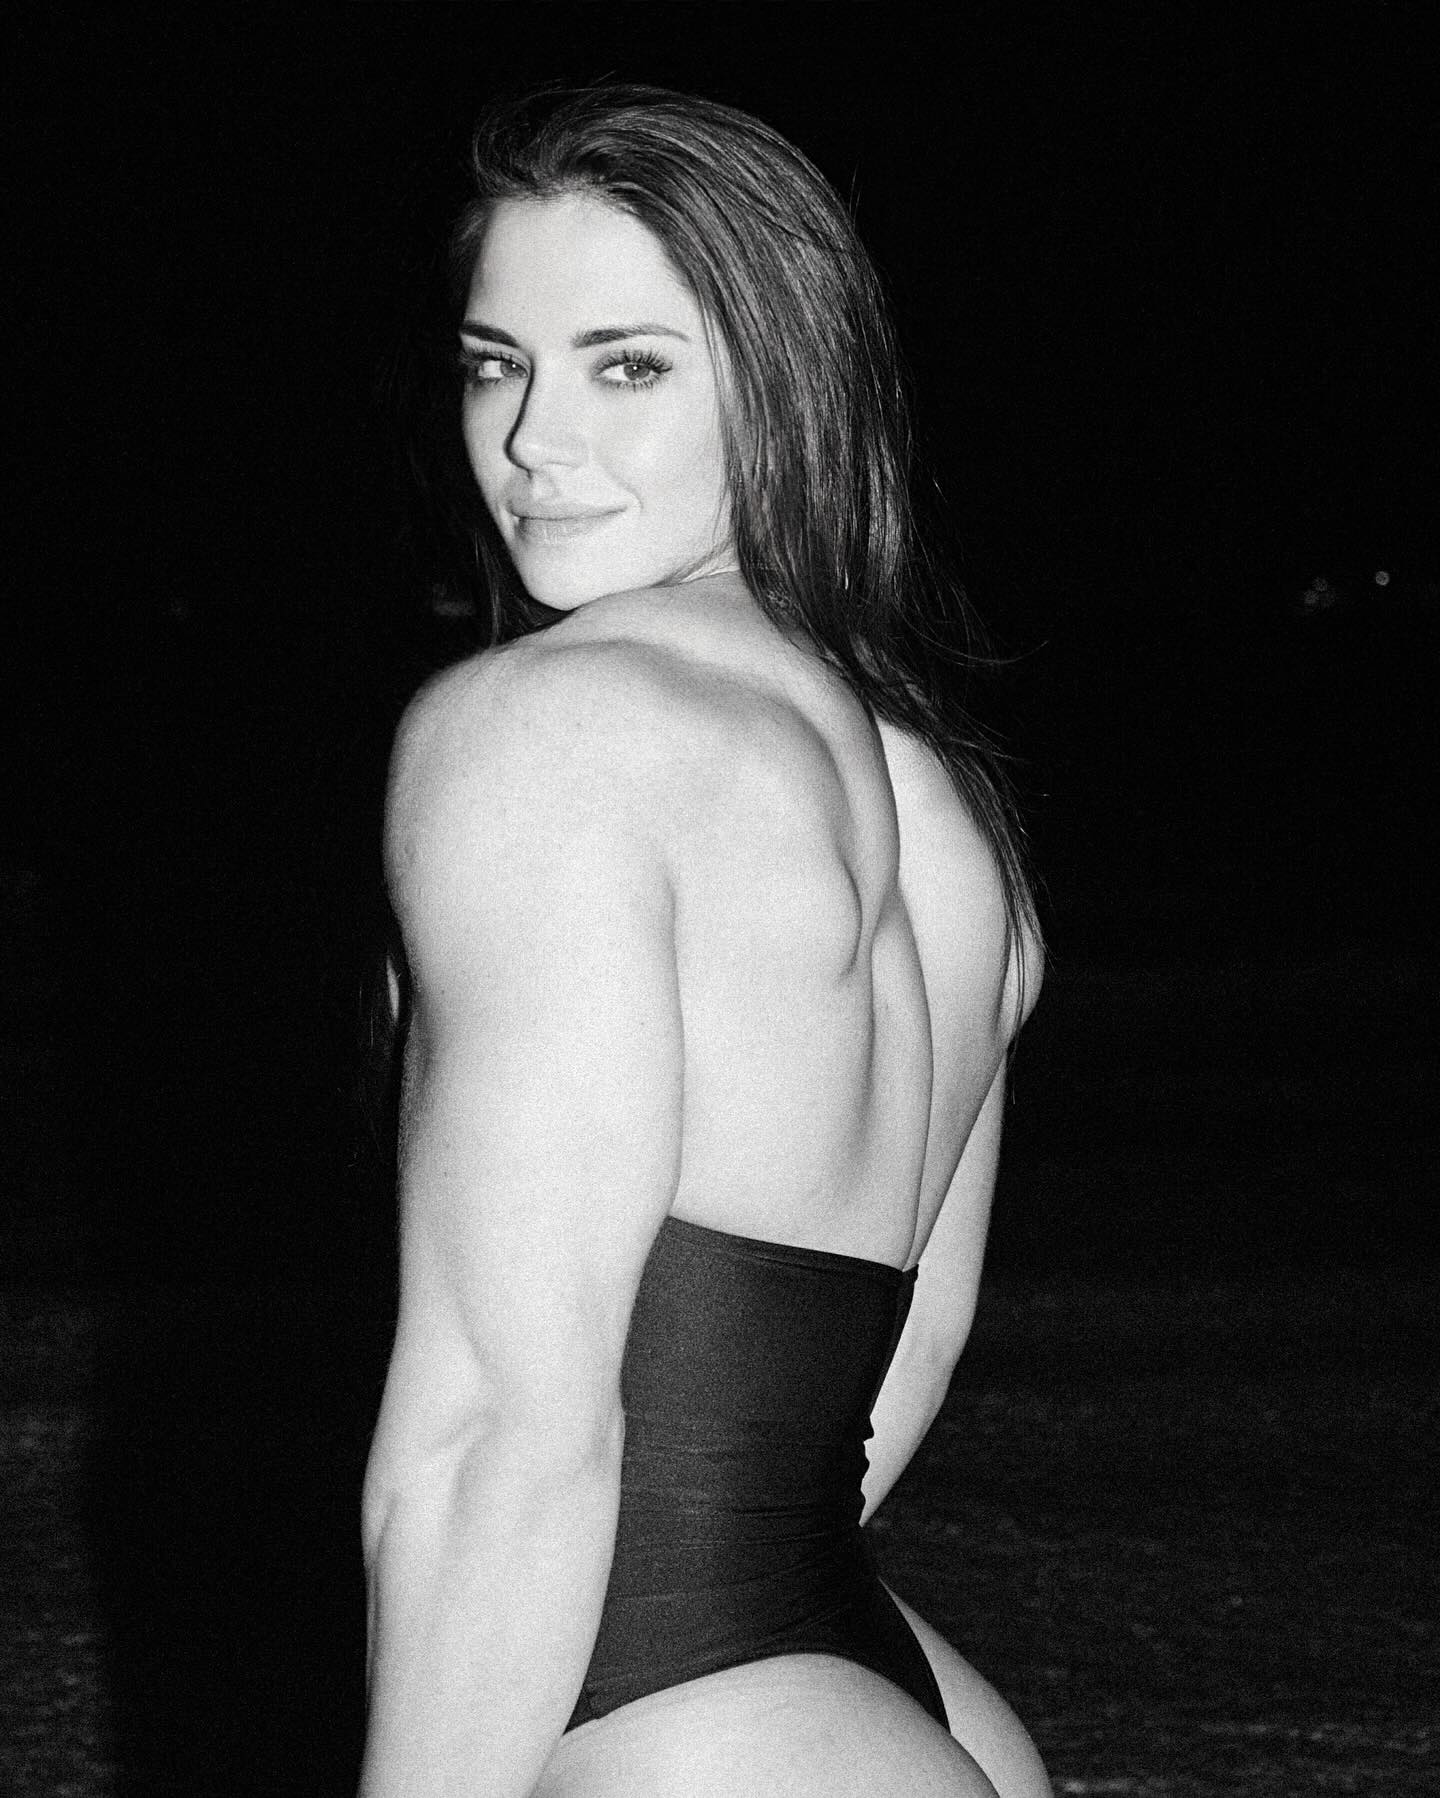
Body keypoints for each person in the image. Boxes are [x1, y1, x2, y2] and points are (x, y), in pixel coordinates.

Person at [359, 85, 1049, 1798]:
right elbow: (910, 1347)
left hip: (672, 1720)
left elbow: (494, 1433)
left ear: (783, 381)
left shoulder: (549, 730)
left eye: (627, 367)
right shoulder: (934, 787)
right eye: (495, 362)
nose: (534, 439)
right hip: (869, 1700)